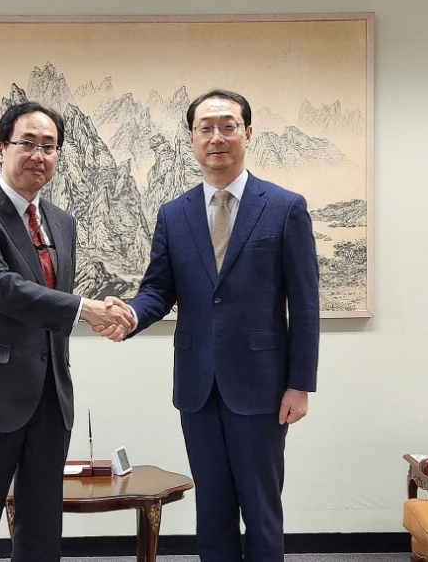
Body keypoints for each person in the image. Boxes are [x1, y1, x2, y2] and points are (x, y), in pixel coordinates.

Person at [97, 89, 319, 562]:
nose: (216, 137)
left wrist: (300, 384)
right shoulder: (173, 214)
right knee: (212, 511)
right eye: (205, 128)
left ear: (248, 133)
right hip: (198, 388)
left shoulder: (284, 207)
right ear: (192, 139)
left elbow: (304, 305)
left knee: (261, 511)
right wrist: (132, 314)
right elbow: (160, 289)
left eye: (227, 125)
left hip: (262, 387)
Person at [0, 102, 133, 562]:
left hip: (50, 396)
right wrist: (86, 308)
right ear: (0, 148)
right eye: (27, 143)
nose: (38, 155)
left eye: (49, 146)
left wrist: (93, 316)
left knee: (43, 525)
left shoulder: (63, 223)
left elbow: (49, 308)